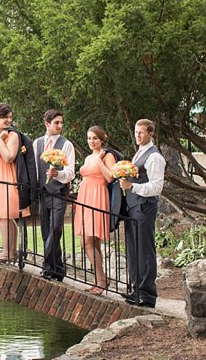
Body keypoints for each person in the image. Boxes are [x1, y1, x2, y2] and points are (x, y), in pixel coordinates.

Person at [120, 119, 166, 308]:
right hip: (133, 206)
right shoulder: (139, 153)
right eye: (136, 132)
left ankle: (147, 294)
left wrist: (132, 186)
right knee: (133, 249)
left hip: (145, 206)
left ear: (151, 134)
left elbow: (157, 187)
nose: (137, 135)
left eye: (141, 132)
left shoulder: (155, 157)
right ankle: (136, 289)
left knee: (145, 250)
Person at [34, 109, 75, 281]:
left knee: (55, 229)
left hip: (59, 192)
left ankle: (46, 266)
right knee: (45, 231)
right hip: (43, 192)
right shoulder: (37, 143)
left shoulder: (67, 145)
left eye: (61, 122)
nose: (60, 126)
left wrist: (57, 175)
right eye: (56, 122)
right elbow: (34, 168)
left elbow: (71, 172)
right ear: (47, 124)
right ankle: (58, 269)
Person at [0, 103, 30, 263]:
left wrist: (1, 141)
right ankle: (12, 252)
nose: (8, 120)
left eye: (10, 117)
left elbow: (9, 157)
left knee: (5, 215)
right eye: (5, 117)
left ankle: (6, 252)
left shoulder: (13, 136)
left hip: (7, 176)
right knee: (4, 215)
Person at [74, 126, 115, 294]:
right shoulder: (88, 157)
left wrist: (99, 161)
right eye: (89, 138)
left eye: (95, 138)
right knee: (93, 242)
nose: (91, 141)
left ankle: (101, 280)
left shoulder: (107, 155)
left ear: (102, 139)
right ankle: (100, 280)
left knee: (87, 241)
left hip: (97, 196)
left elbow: (110, 177)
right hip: (85, 196)